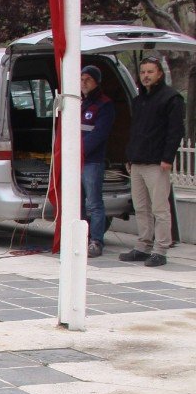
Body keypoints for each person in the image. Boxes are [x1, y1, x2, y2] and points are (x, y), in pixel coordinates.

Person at [118, 55, 185, 268]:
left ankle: (160, 249)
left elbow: (175, 131)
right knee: (141, 207)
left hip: (157, 163)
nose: (146, 76)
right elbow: (135, 131)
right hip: (137, 161)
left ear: (160, 74)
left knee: (159, 208)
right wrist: (129, 156)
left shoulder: (171, 98)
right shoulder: (139, 100)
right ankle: (143, 245)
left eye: (150, 72)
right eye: (143, 72)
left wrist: (167, 157)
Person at [80, 65, 114, 258]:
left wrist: (80, 151)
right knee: (78, 203)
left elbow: (99, 134)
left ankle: (96, 241)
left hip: (92, 161)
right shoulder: (79, 103)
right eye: (81, 79)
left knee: (94, 203)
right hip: (76, 161)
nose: (83, 83)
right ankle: (80, 239)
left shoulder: (104, 104)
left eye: (88, 79)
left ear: (96, 81)